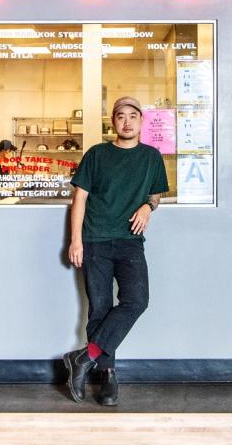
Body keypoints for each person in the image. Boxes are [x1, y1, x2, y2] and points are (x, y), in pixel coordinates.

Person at [63, 96, 169, 406]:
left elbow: (155, 196)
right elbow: (79, 199)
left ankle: (84, 357)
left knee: (136, 300)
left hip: (129, 240)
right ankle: (107, 376)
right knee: (100, 308)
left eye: (132, 116)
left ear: (140, 122)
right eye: (120, 116)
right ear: (114, 122)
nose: (126, 121)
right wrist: (75, 240)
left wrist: (149, 207)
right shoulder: (97, 154)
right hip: (95, 239)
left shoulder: (151, 157)